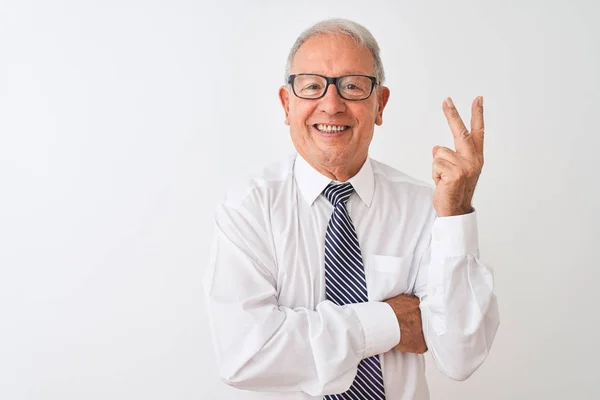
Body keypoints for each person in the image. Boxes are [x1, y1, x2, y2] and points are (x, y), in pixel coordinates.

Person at [203, 18, 499, 400]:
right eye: (312, 86)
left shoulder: (427, 206)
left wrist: (456, 215)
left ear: (380, 104)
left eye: (352, 86)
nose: (331, 104)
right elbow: (244, 355)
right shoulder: (249, 209)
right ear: (286, 103)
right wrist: (389, 321)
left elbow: (461, 356)